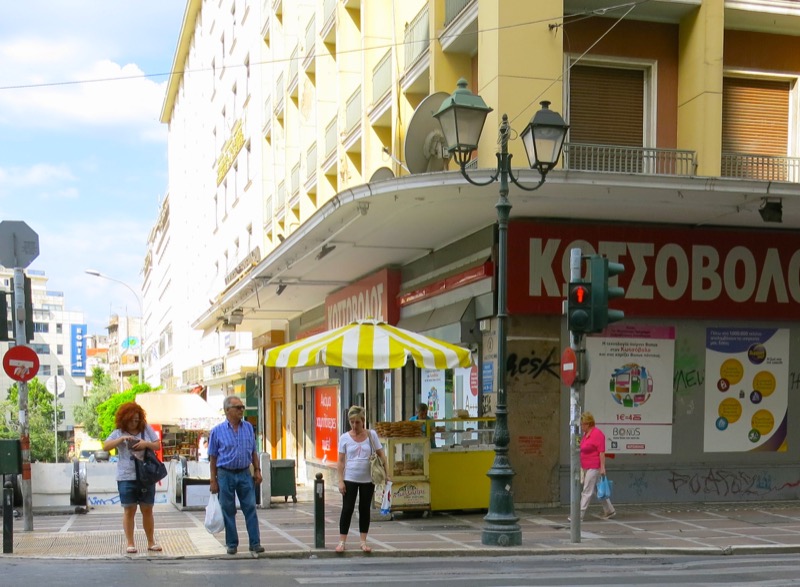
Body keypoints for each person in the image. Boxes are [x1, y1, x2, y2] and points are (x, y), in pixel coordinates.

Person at [102, 401, 163, 554]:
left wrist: (145, 443)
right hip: (126, 476)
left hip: (146, 476)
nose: (134, 423)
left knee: (147, 508)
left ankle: (151, 541)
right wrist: (121, 439)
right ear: (125, 419)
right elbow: (105, 446)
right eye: (132, 420)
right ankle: (130, 543)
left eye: (137, 419)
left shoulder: (145, 430)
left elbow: (157, 445)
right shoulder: (118, 432)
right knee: (129, 509)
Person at [208, 396, 265, 555]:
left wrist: (257, 470)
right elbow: (213, 457)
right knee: (228, 509)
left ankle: (255, 543)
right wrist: (213, 480)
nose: (241, 410)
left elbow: (254, 451)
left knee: (250, 508)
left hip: (244, 473)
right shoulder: (217, 431)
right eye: (237, 407)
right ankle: (232, 544)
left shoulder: (248, 427)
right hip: (225, 474)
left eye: (242, 407)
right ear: (227, 410)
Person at [336, 405, 390, 554]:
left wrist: (387, 473)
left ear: (363, 421)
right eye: (352, 422)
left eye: (357, 422)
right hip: (350, 477)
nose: (354, 425)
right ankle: (342, 541)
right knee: (347, 509)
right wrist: (340, 480)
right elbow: (340, 461)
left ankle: (363, 541)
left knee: (364, 509)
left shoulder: (371, 435)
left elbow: (381, 455)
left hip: (368, 479)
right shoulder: (344, 438)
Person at [578, 411, 616, 521]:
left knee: (587, 490)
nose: (581, 426)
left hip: (594, 467)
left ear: (588, 424)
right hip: (586, 466)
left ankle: (579, 514)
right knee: (598, 490)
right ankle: (609, 510)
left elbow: (601, 452)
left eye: (582, 424)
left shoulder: (597, 434)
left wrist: (602, 467)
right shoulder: (586, 435)